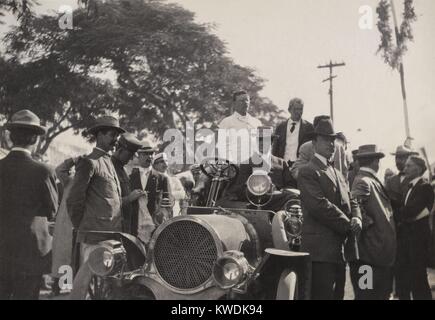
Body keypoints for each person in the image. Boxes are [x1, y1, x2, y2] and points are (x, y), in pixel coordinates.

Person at [297, 117, 361, 300]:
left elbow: (352, 200)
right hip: (319, 252)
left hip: (338, 252)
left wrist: (357, 217)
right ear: (314, 142)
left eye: (333, 140)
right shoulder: (308, 171)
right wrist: (348, 224)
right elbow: (319, 205)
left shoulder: (338, 173)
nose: (331, 144)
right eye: (326, 139)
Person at [0, 109, 59, 299]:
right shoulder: (44, 171)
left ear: (10, 137)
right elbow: (52, 210)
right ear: (35, 139)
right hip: (30, 252)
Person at [67, 115, 127, 264]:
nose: (116, 139)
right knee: (88, 280)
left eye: (118, 135)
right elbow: (74, 199)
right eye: (112, 135)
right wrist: (83, 226)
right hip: (94, 236)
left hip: (110, 234)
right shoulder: (89, 162)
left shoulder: (109, 162)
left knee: (105, 282)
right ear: (100, 135)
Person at [349, 145, 396, 300]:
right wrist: (370, 227)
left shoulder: (367, 180)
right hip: (368, 257)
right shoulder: (363, 181)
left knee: (377, 295)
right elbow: (353, 204)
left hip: (376, 257)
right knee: (366, 295)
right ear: (375, 161)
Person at [218, 126, 296, 211]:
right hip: (255, 198)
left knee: (293, 197)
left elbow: (290, 184)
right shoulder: (247, 163)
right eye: (260, 140)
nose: (262, 143)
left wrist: (279, 190)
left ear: (271, 142)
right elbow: (238, 188)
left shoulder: (281, 163)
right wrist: (256, 187)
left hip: (277, 198)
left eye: (265, 140)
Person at [395, 156, 434, 300]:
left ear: (418, 169)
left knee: (419, 281)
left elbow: (410, 211)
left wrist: (399, 213)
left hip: (418, 242)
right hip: (407, 240)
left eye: (408, 166)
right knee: (407, 280)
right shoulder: (408, 187)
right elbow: (407, 212)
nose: (405, 169)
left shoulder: (425, 187)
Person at [129, 141, 172, 235]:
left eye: (151, 154)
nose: (149, 157)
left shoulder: (162, 178)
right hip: (134, 224)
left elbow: (168, 203)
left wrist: (162, 215)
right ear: (138, 156)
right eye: (145, 154)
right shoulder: (130, 177)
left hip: (155, 224)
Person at [291, 115, 349, 181]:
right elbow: (296, 171)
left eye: (331, 139)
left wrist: (344, 189)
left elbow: (344, 173)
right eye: (324, 138)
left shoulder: (339, 148)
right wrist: (311, 174)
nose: (330, 143)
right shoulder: (306, 148)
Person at [111, 133, 147, 233]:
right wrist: (129, 198)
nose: (131, 158)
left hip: (125, 225)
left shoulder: (123, 170)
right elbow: (106, 202)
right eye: (130, 155)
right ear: (120, 150)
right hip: (113, 226)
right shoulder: (109, 168)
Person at [218, 90, 263, 164]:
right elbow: (222, 147)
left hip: (255, 166)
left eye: (247, 100)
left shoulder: (257, 123)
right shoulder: (226, 122)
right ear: (234, 104)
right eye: (241, 101)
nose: (245, 103)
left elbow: (262, 146)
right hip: (236, 166)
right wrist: (231, 164)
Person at [272, 98, 314, 167]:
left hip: (300, 166)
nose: (298, 112)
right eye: (296, 109)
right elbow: (275, 149)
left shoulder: (309, 127)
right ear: (289, 110)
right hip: (282, 165)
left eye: (301, 109)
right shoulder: (280, 127)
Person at [153, 152, 185, 217]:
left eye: (166, 161)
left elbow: (182, 194)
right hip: (157, 213)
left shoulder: (174, 179)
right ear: (155, 165)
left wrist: (168, 194)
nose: (165, 164)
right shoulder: (152, 179)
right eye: (161, 162)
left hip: (174, 212)